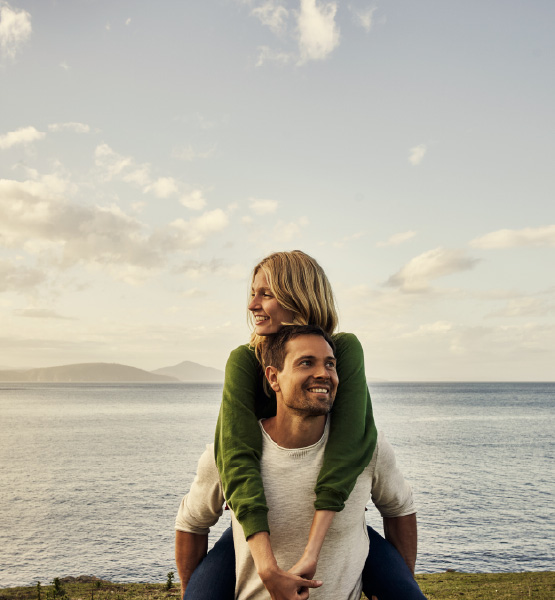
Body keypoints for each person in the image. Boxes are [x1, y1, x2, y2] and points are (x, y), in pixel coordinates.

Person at [183, 250, 425, 599]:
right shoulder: (245, 361)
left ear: (298, 295)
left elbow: (347, 447)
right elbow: (235, 454)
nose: (252, 305)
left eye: (265, 294)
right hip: (253, 525)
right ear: (273, 377)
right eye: (253, 293)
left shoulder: (342, 350)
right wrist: (265, 566)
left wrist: (314, 552)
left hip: (338, 520)